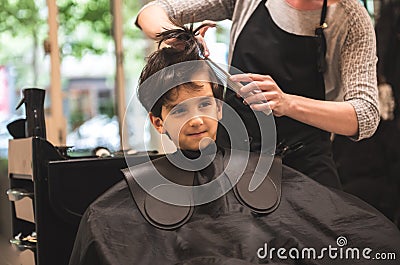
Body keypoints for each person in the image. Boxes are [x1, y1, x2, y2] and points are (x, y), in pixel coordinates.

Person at [68, 26, 400, 265]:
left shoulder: (265, 177)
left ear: (219, 108)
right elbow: (152, 14)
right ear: (158, 122)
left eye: (203, 105)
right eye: (180, 110)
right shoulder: (110, 214)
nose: (195, 119)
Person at [135, 0, 380, 189]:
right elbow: (151, 12)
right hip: (233, 156)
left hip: (304, 162)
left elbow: (366, 116)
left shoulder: (350, 18)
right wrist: (173, 34)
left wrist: (287, 103)